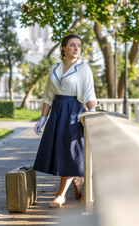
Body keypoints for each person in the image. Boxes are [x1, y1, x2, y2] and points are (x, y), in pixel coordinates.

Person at [33, 33, 97, 208]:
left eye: (79, 45)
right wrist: (42, 119)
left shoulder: (84, 68)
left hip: (73, 113)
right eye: (72, 45)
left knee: (70, 152)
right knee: (62, 153)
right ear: (63, 47)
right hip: (57, 112)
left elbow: (89, 93)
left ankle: (61, 195)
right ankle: (77, 180)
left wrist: (92, 112)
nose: (77, 48)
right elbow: (48, 95)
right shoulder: (54, 68)